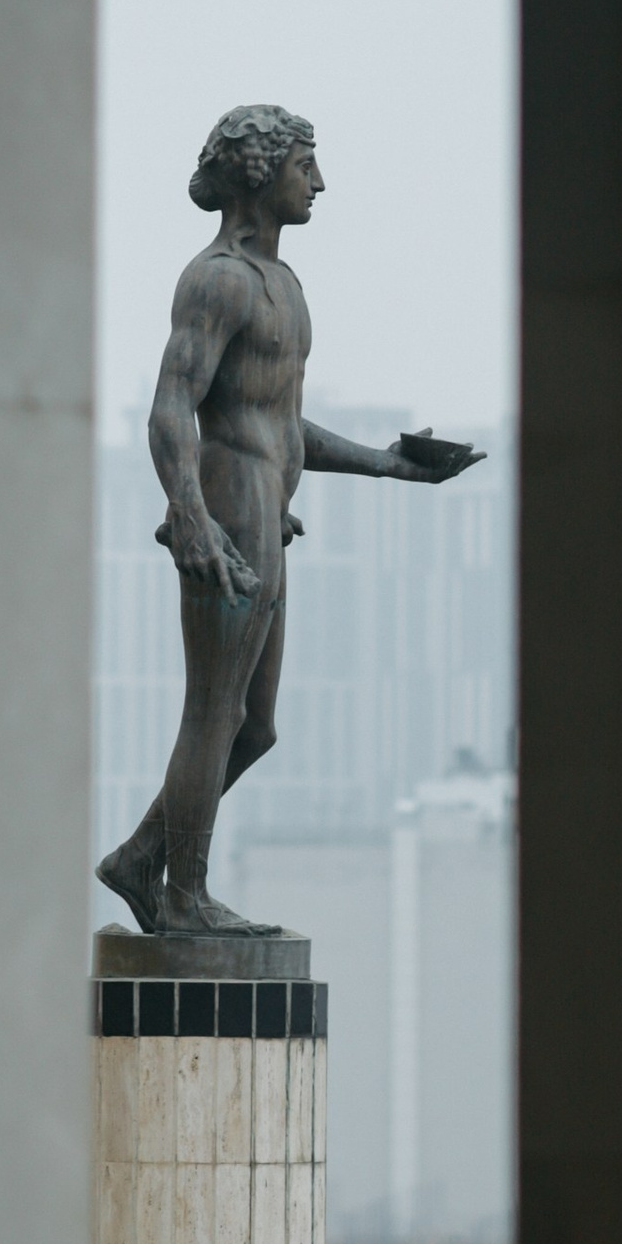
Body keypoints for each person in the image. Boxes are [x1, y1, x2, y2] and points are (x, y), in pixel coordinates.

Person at [97, 103, 480, 939]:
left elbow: (279, 422)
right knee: (212, 710)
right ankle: (183, 895)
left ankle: (139, 856)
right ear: (261, 171)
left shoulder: (284, 286)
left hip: (269, 508)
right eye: (305, 164)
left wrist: (391, 464)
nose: (319, 182)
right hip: (231, 504)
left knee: (255, 726)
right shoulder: (220, 278)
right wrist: (190, 517)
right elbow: (172, 410)